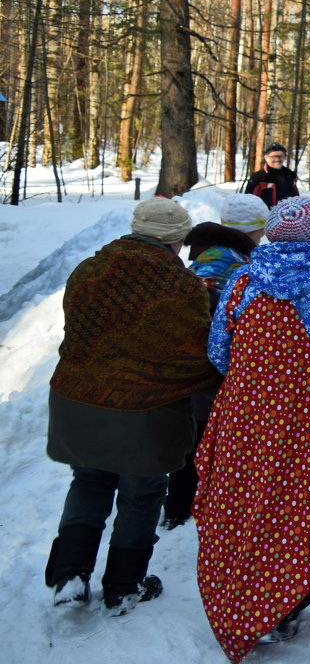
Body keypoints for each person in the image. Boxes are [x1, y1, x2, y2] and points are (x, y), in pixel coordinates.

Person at [194, 196, 310, 663]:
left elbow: (219, 351)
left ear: (273, 232)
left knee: (243, 499)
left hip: (246, 415)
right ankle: (286, 605)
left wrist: (254, 380)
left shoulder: (242, 280)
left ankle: (243, 595)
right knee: (301, 501)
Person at [44, 197, 220, 614]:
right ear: (177, 240)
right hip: (146, 410)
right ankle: (125, 585)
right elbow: (193, 351)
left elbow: (82, 331)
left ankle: (70, 574)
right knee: (141, 494)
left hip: (79, 398)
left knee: (89, 481)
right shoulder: (180, 286)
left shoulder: (89, 270)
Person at [159, 193, 270, 530]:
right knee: (206, 433)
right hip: (214, 364)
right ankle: (190, 504)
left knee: (196, 432)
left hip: (194, 361)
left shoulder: (205, 255)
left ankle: (182, 503)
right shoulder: (236, 264)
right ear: (255, 230)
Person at [245, 141, 300, 208]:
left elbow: (297, 200)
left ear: (284, 157)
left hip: (288, 216)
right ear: (266, 157)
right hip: (264, 217)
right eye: (273, 156)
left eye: (280, 156)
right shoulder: (258, 177)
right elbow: (248, 203)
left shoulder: (290, 176)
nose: (277, 159)